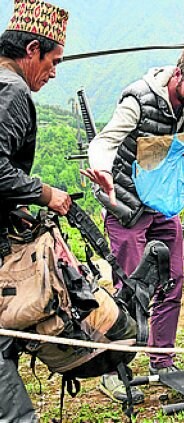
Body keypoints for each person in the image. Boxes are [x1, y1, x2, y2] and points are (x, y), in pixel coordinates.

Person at [81, 44, 184, 402]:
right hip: (125, 204)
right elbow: (105, 141)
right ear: (178, 73)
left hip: (161, 203)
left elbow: (165, 147)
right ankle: (113, 371)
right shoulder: (139, 100)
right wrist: (102, 173)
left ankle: (162, 361)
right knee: (130, 289)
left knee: (172, 280)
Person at [0, 1, 71, 420]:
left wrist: (14, 211)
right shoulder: (12, 90)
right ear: (32, 49)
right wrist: (45, 194)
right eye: (53, 60)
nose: (54, 71)